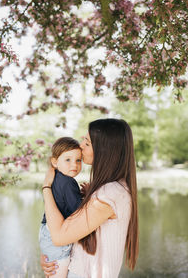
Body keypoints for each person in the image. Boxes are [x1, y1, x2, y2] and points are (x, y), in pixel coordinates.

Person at [41, 118, 139, 277]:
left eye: (87, 143)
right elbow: (71, 232)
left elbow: (59, 236)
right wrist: (51, 254)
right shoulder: (106, 189)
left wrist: (46, 187)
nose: (80, 146)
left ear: (104, 150)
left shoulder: (110, 194)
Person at [39, 137, 83, 278]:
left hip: (46, 231)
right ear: (55, 162)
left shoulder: (56, 178)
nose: (74, 165)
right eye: (68, 160)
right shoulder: (69, 182)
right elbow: (79, 212)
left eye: (78, 160)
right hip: (56, 237)